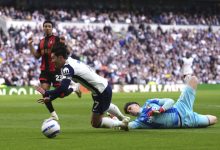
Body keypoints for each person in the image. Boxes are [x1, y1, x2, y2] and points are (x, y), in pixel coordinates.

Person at [35, 42, 130, 130]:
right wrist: (51, 97)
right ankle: (123, 118)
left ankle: (121, 124)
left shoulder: (67, 68)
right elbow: (62, 89)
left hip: (101, 92)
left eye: (53, 58)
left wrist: (47, 93)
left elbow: (63, 88)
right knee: (105, 105)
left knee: (95, 123)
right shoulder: (70, 61)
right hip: (101, 88)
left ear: (60, 57)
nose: (52, 61)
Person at [28, 20, 81, 121]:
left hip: (56, 70)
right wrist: (30, 45)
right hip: (45, 71)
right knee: (44, 92)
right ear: (43, 28)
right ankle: (53, 114)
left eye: (49, 26)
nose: (47, 28)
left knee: (61, 94)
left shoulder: (57, 39)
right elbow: (36, 56)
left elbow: (67, 52)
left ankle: (74, 88)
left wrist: (64, 44)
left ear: (52, 28)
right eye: (45, 26)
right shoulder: (41, 42)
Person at [123, 75, 217, 129]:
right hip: (187, 122)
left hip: (180, 107)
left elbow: (170, 101)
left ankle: (186, 78)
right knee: (214, 119)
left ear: (136, 105)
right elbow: (127, 126)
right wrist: (117, 121)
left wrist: (161, 109)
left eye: (130, 108)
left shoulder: (149, 102)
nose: (130, 111)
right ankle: (194, 115)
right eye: (129, 112)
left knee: (194, 79)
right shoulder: (139, 122)